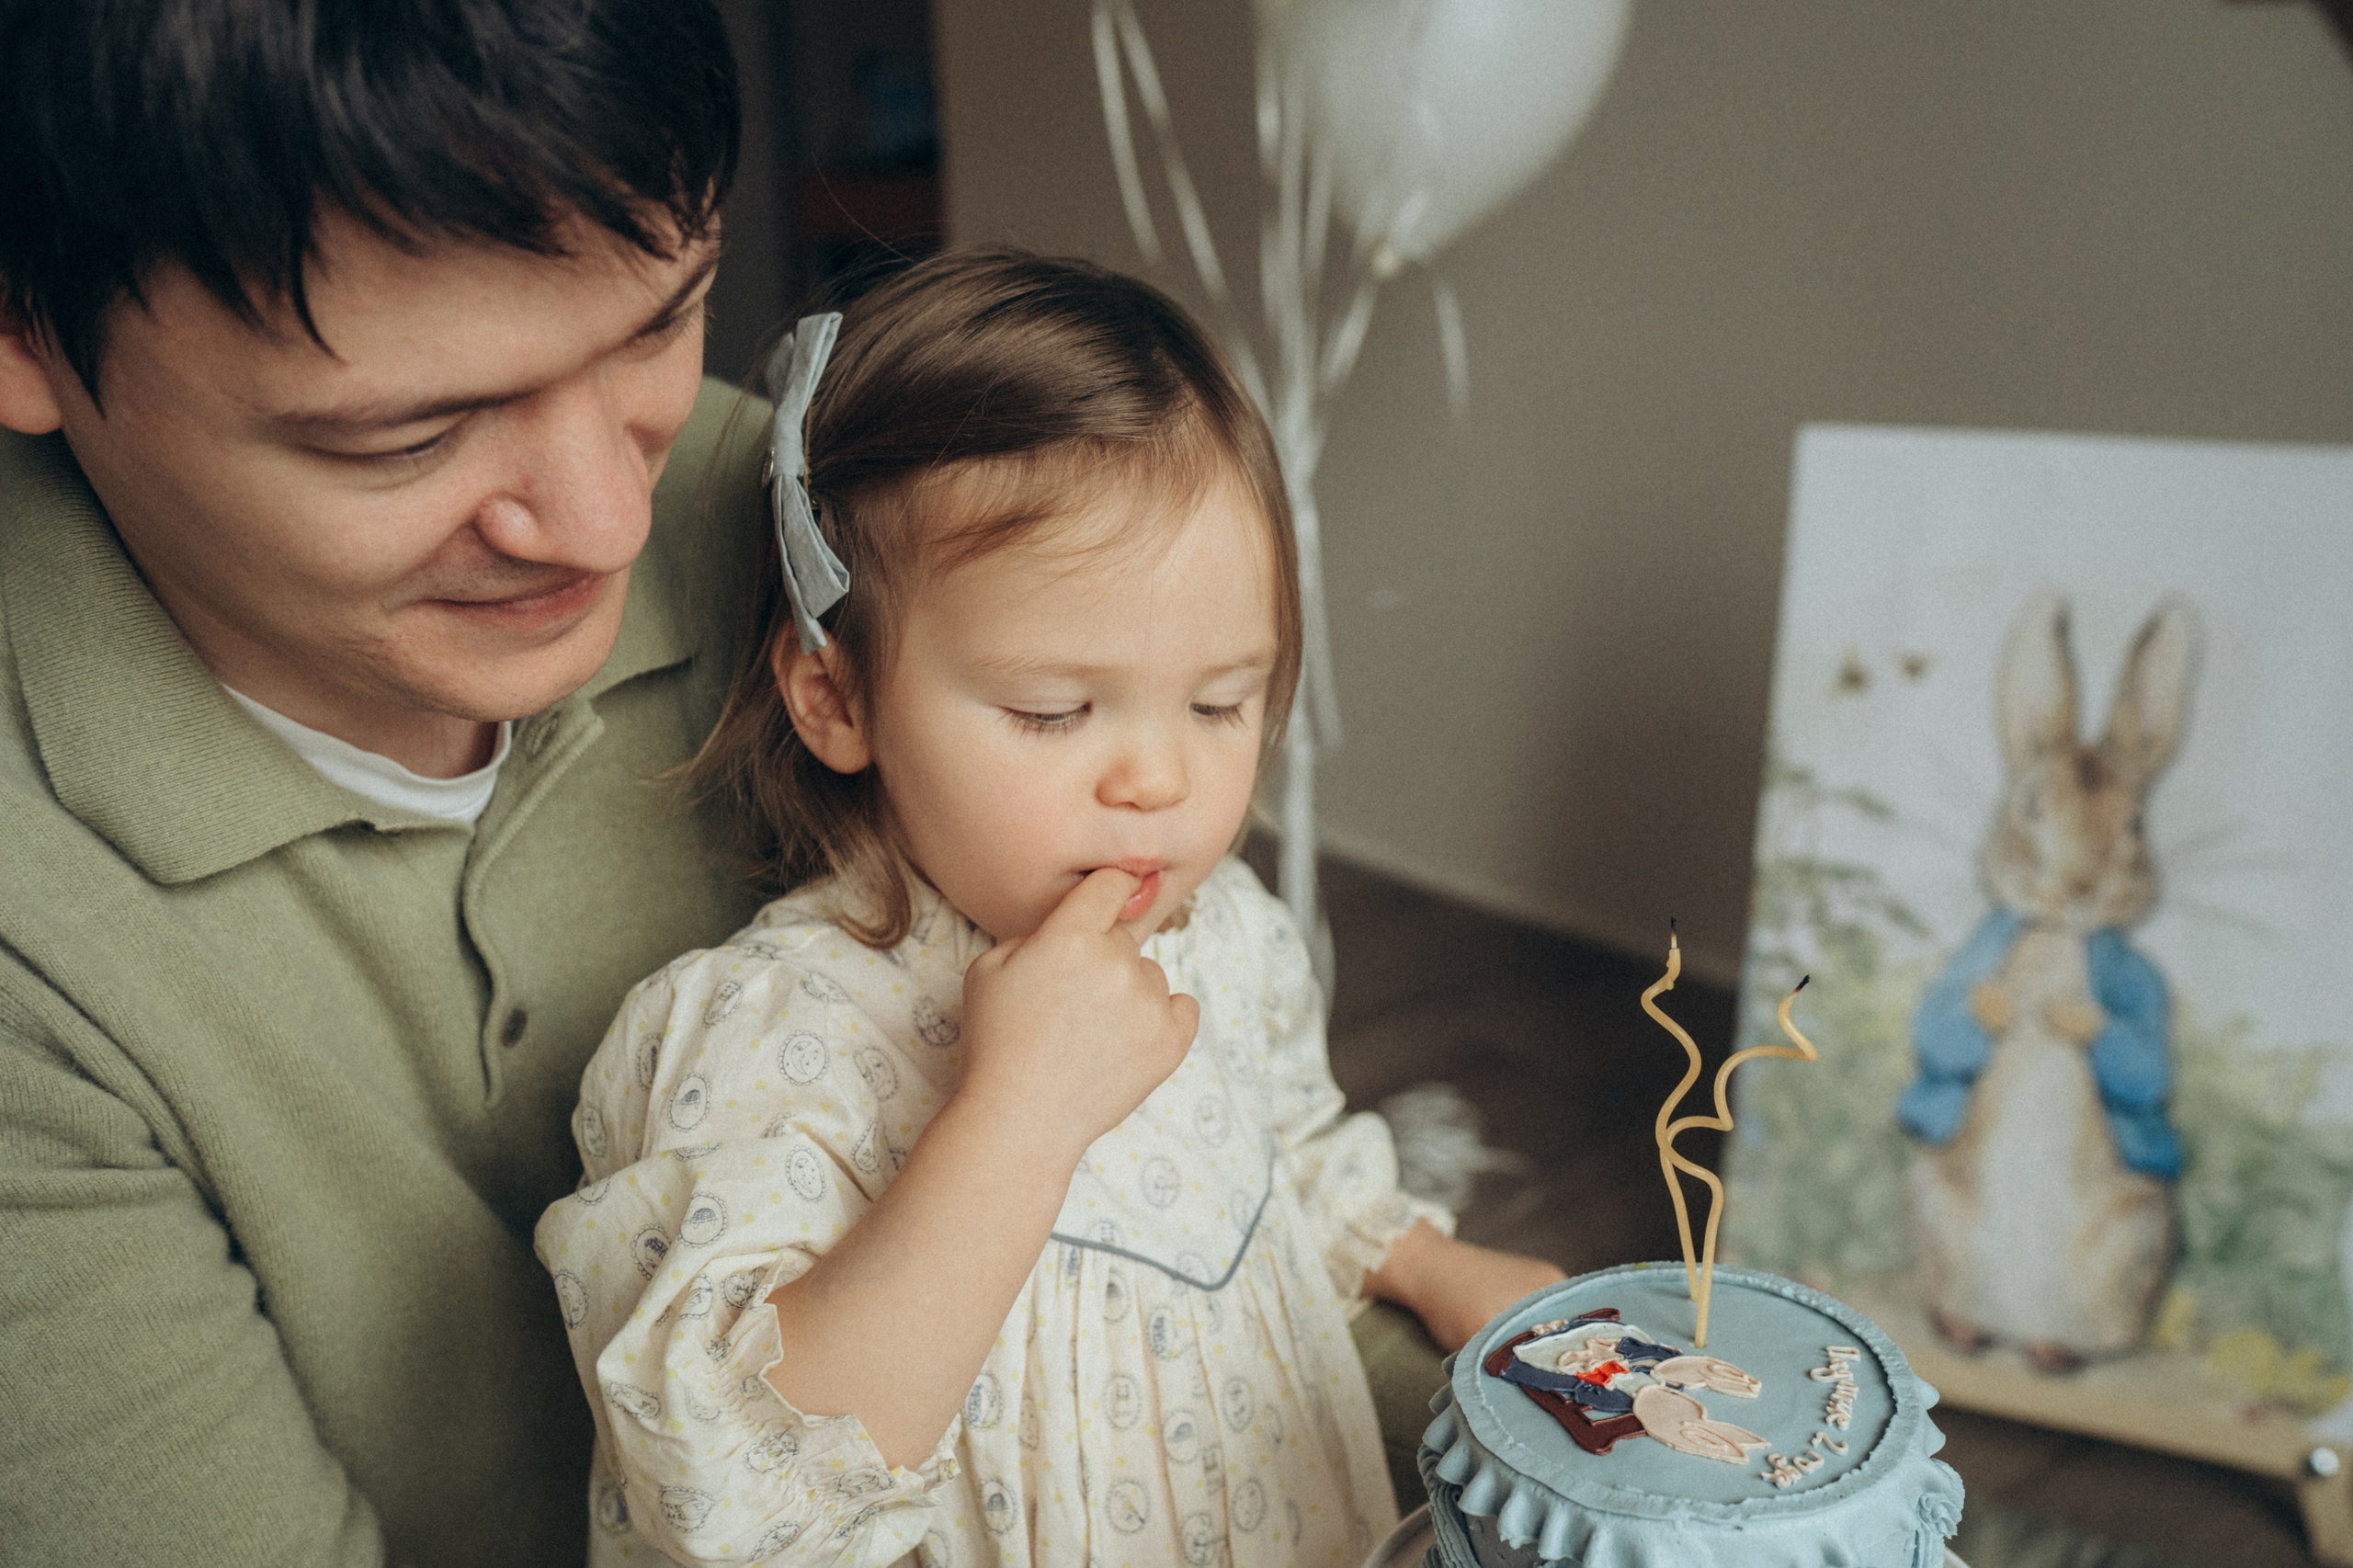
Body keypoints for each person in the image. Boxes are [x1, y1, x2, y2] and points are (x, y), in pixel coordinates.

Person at [534, 251, 1564, 1567]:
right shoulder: (760, 1029)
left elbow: (1288, 1147)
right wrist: (1016, 1108)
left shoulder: (1227, 935)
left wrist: (1426, 1260)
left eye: (1220, 701)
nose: (1160, 776)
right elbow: (725, 1487)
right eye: (1053, 711)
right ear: (837, 698)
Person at [0, 3, 773, 1563]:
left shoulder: (784, 513)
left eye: (656, 328)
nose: (610, 519)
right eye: (410, 437)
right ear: (26, 335)